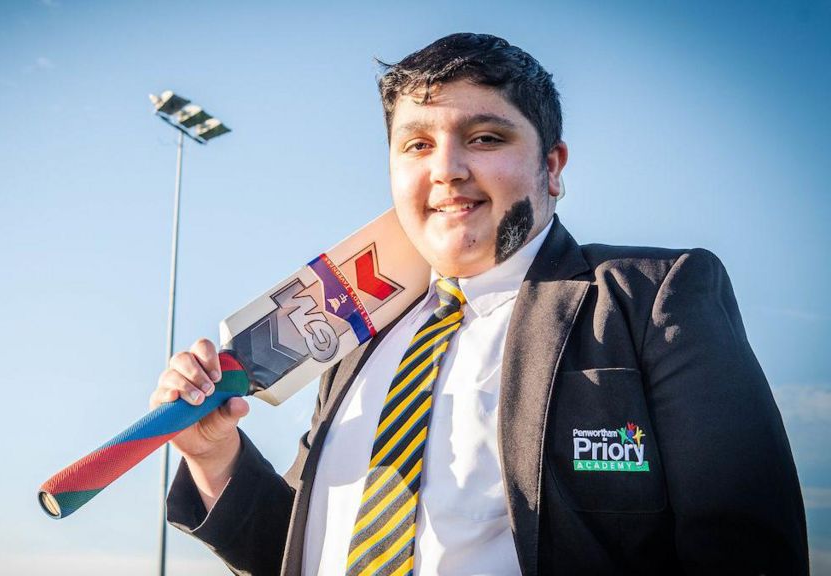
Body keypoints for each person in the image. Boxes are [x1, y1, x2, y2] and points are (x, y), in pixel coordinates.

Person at [151, 33, 808, 575]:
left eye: (485, 138)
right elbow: (293, 553)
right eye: (417, 145)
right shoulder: (357, 335)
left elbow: (746, 548)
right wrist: (215, 458)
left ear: (553, 166)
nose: (447, 168)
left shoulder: (654, 296)